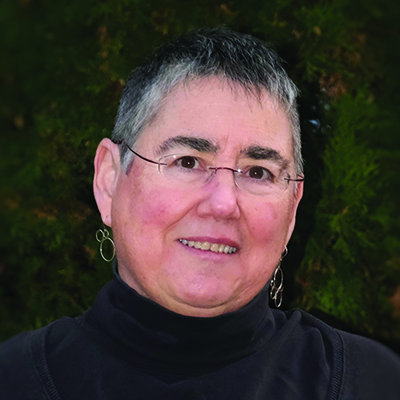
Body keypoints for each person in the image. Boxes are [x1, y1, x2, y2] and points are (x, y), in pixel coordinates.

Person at [1, 27, 399, 400]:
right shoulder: (14, 380)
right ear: (109, 179)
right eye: (188, 162)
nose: (223, 203)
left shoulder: (373, 384)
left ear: (293, 207)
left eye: (258, 172)